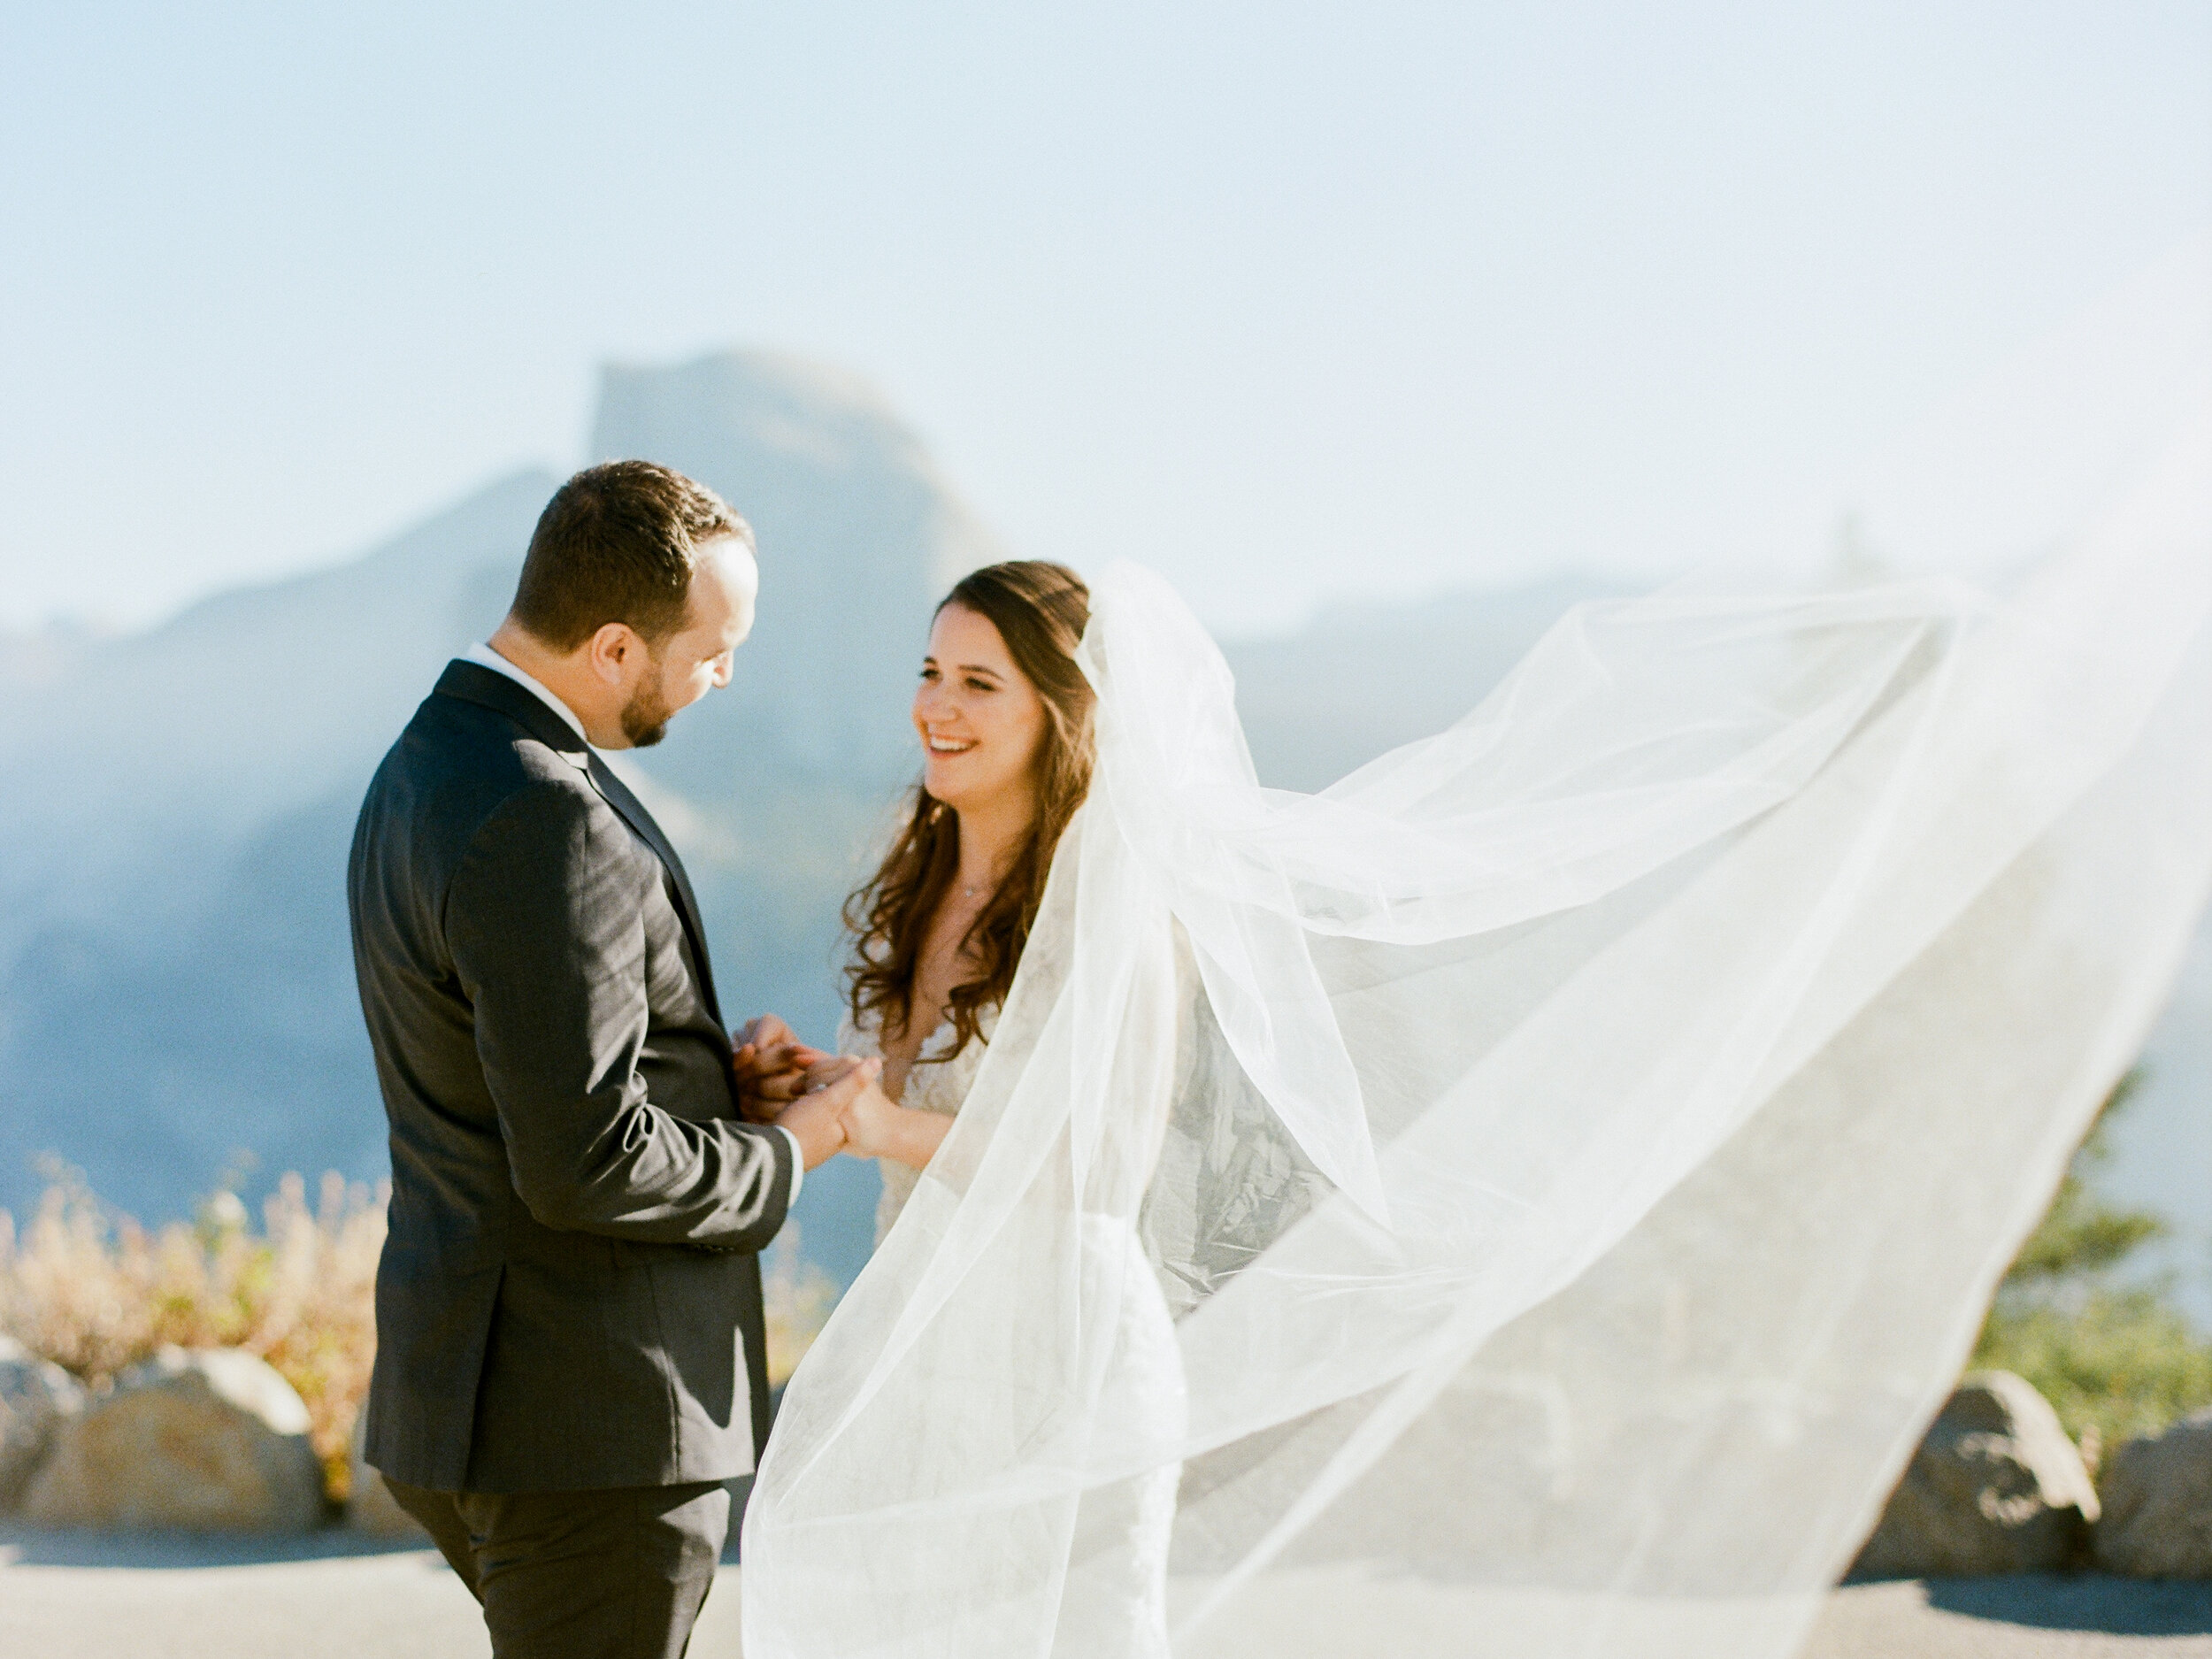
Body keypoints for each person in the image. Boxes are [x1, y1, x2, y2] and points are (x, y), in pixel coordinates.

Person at [346, 459, 877, 1659]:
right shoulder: (550, 812)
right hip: (595, 1426)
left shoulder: (423, 768)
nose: (724, 675)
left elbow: (512, 1066)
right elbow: (587, 1160)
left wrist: (706, 1081)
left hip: (486, 1395)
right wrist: (793, 1147)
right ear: (616, 648)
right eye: (711, 648)